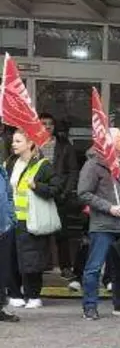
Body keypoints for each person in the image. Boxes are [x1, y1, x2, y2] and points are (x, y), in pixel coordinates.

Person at [78, 128, 120, 320]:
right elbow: (83, 193)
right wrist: (108, 207)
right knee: (95, 267)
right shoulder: (93, 165)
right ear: (110, 143)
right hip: (103, 226)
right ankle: (90, 306)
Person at [6, 129, 60, 309]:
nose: (13, 144)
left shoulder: (43, 165)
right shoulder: (10, 163)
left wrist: (37, 186)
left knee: (31, 258)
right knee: (10, 257)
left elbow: (55, 189)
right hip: (11, 220)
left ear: (30, 144)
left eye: (18, 141)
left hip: (30, 220)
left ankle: (33, 294)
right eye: (13, 141)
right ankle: (15, 293)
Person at [40, 113, 83, 291]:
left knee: (62, 232)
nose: (47, 127)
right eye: (43, 124)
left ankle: (65, 267)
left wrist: (66, 191)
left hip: (60, 195)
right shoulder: (32, 144)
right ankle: (42, 265)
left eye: (50, 124)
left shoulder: (65, 146)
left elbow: (73, 171)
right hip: (38, 193)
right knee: (39, 231)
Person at [0, 157, 17, 323]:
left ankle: (0, 307)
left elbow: (9, 196)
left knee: (2, 272)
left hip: (4, 228)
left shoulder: (2, 170)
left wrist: (12, 218)